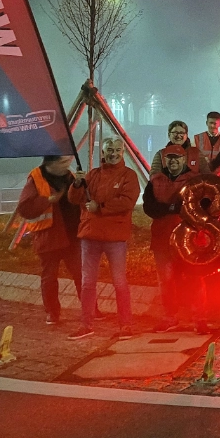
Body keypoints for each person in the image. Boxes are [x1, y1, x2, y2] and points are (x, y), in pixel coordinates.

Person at [67, 137, 139, 340]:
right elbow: (74, 199)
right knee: (87, 283)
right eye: (110, 149)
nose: (113, 153)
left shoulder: (129, 175)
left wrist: (100, 208)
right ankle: (86, 324)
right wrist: (78, 183)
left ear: (123, 152)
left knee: (119, 282)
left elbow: (126, 202)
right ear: (104, 152)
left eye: (117, 149)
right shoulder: (93, 174)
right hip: (90, 235)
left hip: (115, 237)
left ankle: (126, 325)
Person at [142, 145, 210, 334]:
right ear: (164, 160)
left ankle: (200, 318)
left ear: (184, 160)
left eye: (177, 158)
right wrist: (173, 208)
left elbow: (203, 205)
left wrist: (168, 208)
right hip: (162, 239)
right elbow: (150, 208)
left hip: (190, 239)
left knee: (194, 278)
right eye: (169, 158)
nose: (173, 161)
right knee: (166, 280)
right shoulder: (155, 181)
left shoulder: (195, 181)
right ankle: (170, 317)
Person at [15, 154, 84, 325]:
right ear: (50, 164)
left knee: (81, 275)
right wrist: (47, 200)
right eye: (62, 162)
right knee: (50, 278)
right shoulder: (36, 179)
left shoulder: (70, 176)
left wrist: (79, 185)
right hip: (49, 237)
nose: (67, 165)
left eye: (68, 161)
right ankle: (53, 313)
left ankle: (90, 308)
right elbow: (24, 208)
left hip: (72, 235)